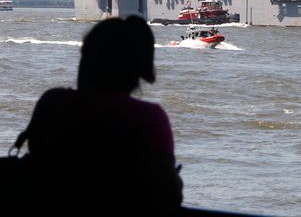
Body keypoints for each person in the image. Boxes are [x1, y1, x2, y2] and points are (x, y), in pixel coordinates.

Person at [23, 16, 183, 216]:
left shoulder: (52, 102)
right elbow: (169, 194)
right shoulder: (148, 118)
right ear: (135, 68)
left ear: (88, 59)